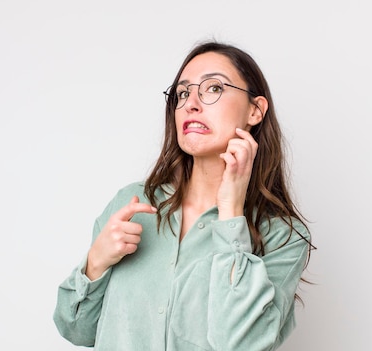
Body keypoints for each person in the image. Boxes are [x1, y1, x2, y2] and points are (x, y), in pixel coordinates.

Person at [53, 40, 314, 351]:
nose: (191, 103)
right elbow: (76, 330)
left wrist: (231, 212)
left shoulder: (284, 237)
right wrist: (95, 263)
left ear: (255, 110)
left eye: (213, 88)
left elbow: (242, 344)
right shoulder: (132, 205)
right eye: (183, 93)